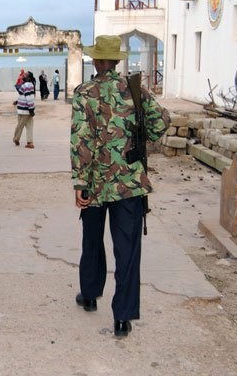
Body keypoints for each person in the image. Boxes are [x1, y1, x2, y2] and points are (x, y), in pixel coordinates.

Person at [70, 35, 170, 338]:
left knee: (91, 240)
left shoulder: (85, 92)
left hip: (96, 183)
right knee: (127, 251)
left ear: (97, 61)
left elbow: (80, 141)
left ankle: (89, 295)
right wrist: (138, 142)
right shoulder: (135, 89)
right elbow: (162, 121)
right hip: (129, 184)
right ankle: (122, 318)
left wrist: (80, 183)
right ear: (116, 61)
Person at [13, 71, 36, 148]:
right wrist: (17, 101)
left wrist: (31, 110)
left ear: (28, 78)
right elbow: (24, 95)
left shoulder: (26, 85)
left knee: (20, 125)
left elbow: (29, 98)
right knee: (29, 126)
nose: (23, 75)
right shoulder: (29, 85)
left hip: (24, 110)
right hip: (28, 109)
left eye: (25, 75)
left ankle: (16, 138)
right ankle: (30, 142)